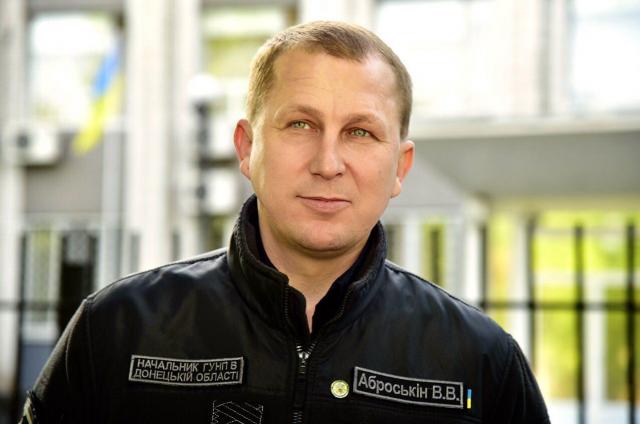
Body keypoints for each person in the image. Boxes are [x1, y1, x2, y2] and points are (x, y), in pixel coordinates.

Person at [22, 21, 550, 423]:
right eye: (300, 124)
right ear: (247, 148)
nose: (328, 162)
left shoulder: (481, 360)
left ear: (400, 167)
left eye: (360, 132)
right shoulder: (116, 330)